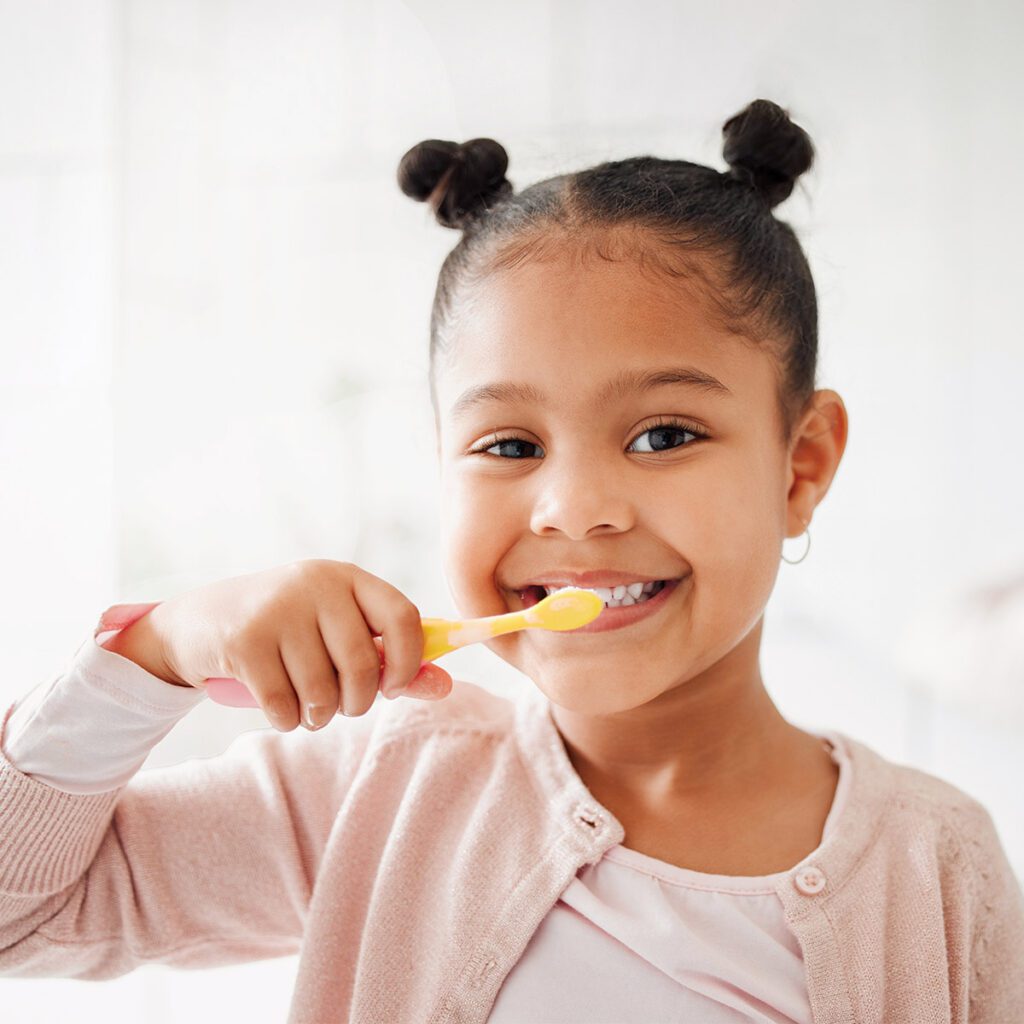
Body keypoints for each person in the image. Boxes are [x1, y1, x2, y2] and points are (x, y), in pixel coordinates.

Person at [2, 98, 1021, 1023]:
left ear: (799, 464)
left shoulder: (936, 864)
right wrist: (157, 652)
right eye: (509, 446)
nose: (573, 509)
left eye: (664, 434)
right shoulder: (380, 789)